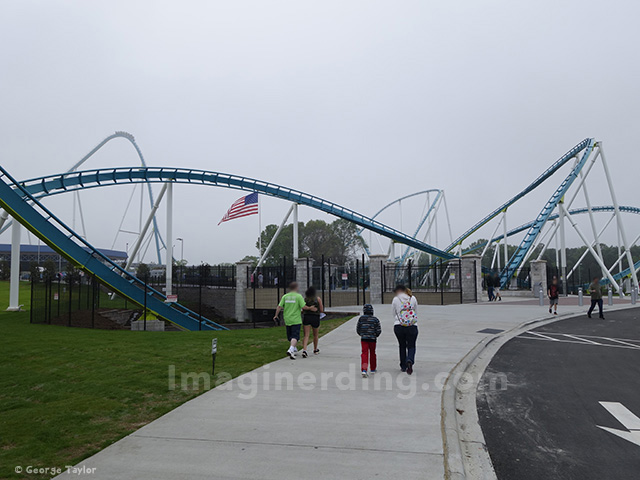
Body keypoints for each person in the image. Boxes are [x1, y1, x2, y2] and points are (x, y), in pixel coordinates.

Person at [273, 282, 317, 359]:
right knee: (295, 336)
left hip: (287, 319)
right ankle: (291, 350)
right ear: (296, 288)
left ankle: (294, 349)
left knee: (290, 336)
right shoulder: (298, 296)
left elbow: (279, 307)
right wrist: (311, 308)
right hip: (296, 319)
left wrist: (276, 315)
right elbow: (304, 307)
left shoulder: (285, 296)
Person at [392, 285, 419, 375]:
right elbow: (415, 311)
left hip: (399, 325)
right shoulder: (413, 298)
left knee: (402, 345)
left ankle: (403, 366)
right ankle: (410, 360)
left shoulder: (396, 299)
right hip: (412, 325)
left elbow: (393, 313)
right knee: (411, 345)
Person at [357, 304, 381, 378]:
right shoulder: (375, 319)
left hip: (364, 338)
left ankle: (364, 369)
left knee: (364, 353)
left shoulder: (361, 319)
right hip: (373, 339)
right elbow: (378, 330)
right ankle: (373, 369)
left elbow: (358, 328)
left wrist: (361, 334)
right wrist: (375, 335)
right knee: (372, 353)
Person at [301, 286, 324, 358]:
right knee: (315, 335)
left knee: (306, 335)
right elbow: (321, 309)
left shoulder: (305, 299)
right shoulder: (318, 299)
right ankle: (315, 349)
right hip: (315, 317)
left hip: (307, 317)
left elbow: (303, 308)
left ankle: (304, 350)